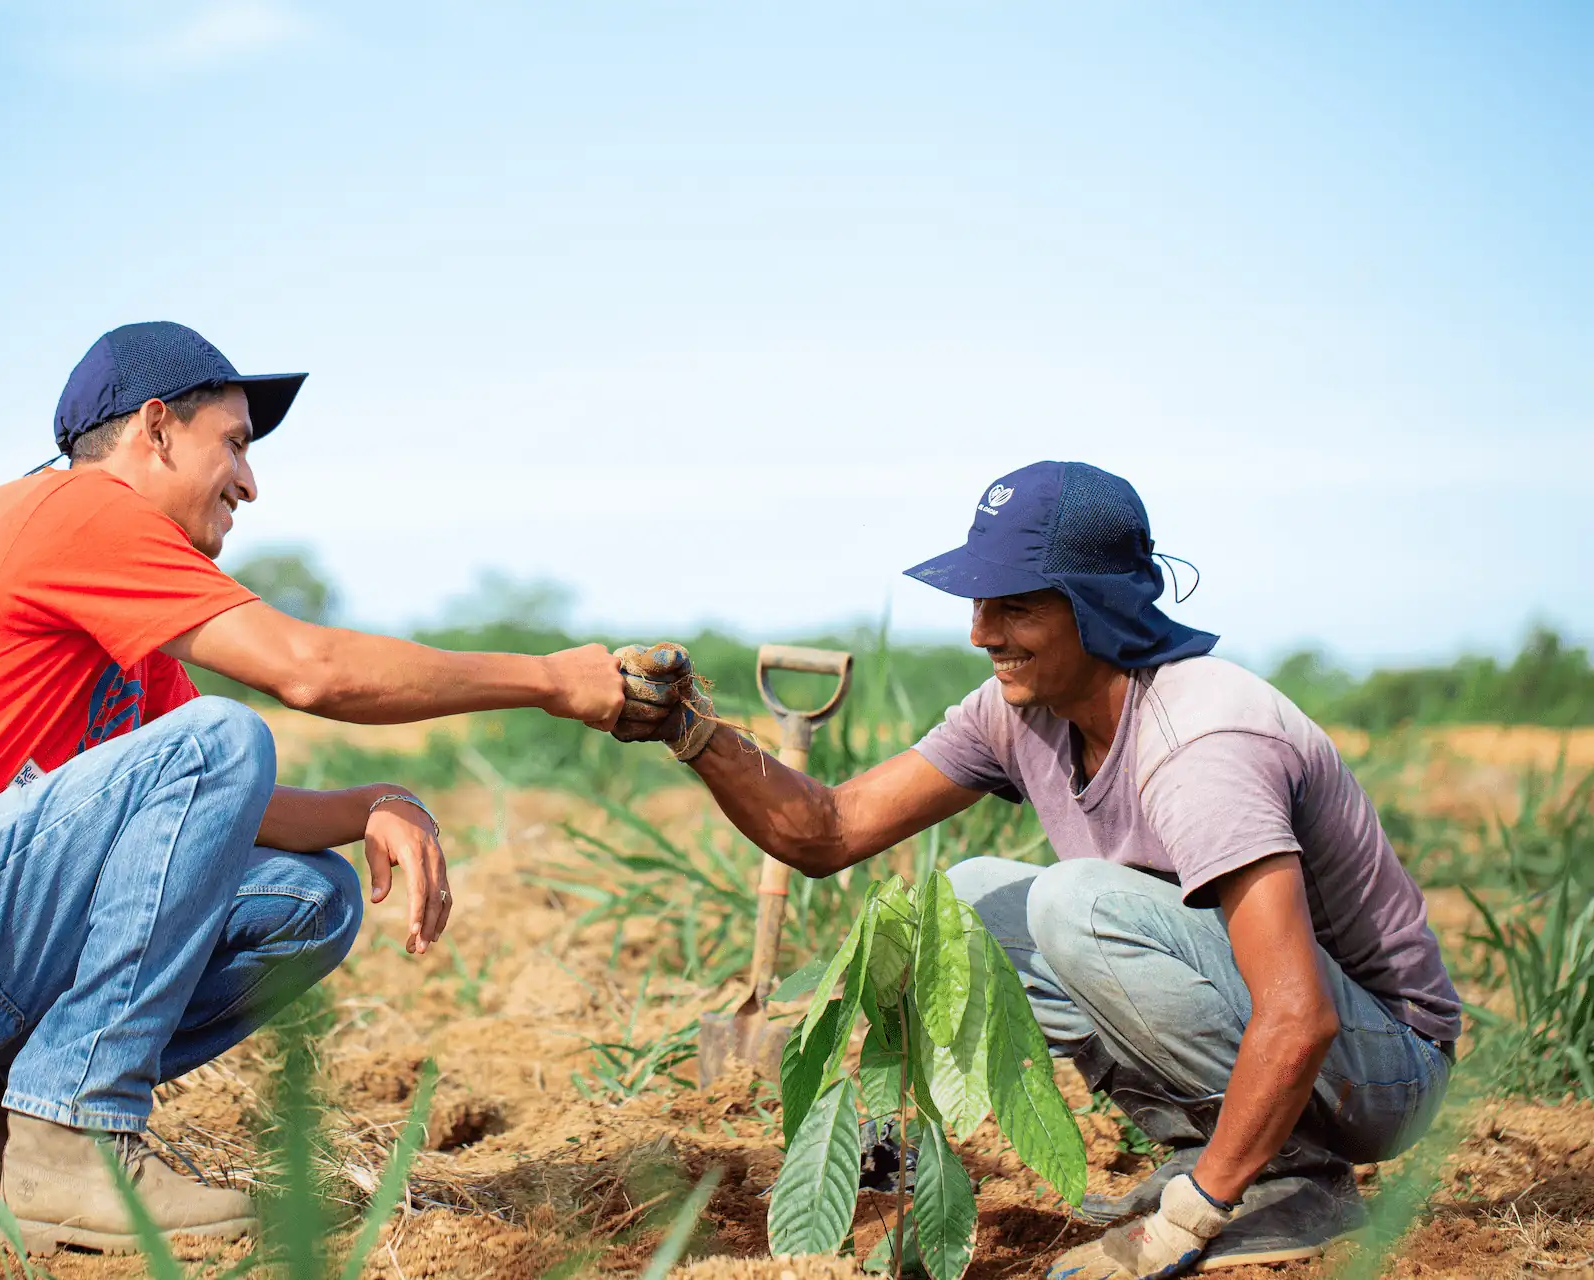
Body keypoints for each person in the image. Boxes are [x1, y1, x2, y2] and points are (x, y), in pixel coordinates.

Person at [0, 322, 628, 1255]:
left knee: (312, 898)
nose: (250, 482)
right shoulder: (75, 513)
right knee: (222, 735)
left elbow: (208, 811)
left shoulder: (122, 605)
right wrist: (550, 681)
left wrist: (371, 804)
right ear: (154, 430)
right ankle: (74, 1134)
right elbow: (311, 671)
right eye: (236, 444)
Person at [615, 461, 1459, 1280]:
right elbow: (830, 831)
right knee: (975, 899)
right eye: (981, 603)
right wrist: (692, 732)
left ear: (1097, 609)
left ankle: (1284, 1180)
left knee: (1073, 903)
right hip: (1285, 1027)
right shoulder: (1021, 712)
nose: (981, 633)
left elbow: (1299, 1014)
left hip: (1380, 1066)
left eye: (1014, 607)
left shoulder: (1202, 744)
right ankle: (1225, 1148)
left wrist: (1187, 1221)